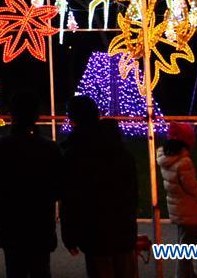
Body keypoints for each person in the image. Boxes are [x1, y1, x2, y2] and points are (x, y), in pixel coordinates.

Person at [60, 95, 138, 278]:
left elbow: (71, 197)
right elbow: (132, 190)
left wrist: (69, 234)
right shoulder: (120, 149)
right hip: (122, 228)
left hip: (95, 231)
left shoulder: (75, 154)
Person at [0, 91, 62, 278]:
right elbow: (58, 187)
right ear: (36, 115)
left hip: (11, 223)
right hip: (40, 223)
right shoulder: (49, 148)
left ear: (12, 114)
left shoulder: (1, 147)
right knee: (41, 270)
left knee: (15, 270)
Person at [157, 122, 197, 278]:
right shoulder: (184, 162)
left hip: (176, 205)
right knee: (188, 246)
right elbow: (191, 187)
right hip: (187, 207)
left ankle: (188, 273)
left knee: (184, 242)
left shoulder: (166, 159)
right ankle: (183, 274)